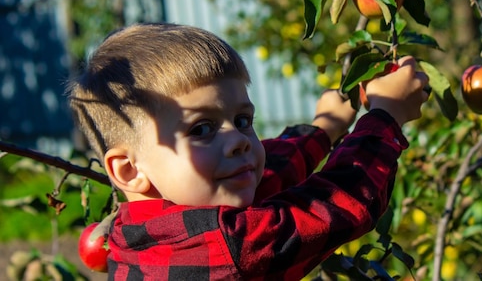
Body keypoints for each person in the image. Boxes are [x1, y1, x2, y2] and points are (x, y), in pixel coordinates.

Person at [67, 22, 430, 280]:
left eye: (243, 120)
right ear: (128, 170)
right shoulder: (231, 246)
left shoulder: (134, 237)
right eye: (202, 128)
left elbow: (269, 176)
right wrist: (387, 116)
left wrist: (323, 130)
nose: (239, 139)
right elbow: (341, 203)